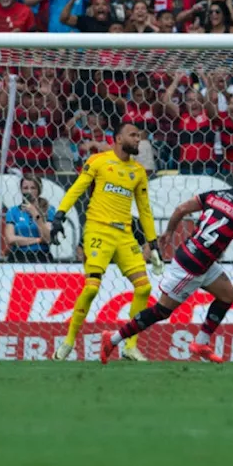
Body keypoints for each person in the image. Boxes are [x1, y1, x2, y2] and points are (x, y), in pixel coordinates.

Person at [102, 165, 233, 364]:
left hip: (199, 259)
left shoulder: (216, 195)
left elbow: (181, 209)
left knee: (227, 296)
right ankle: (113, 338)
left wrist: (169, 232)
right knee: (161, 311)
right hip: (190, 267)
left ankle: (201, 343)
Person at [52, 122, 158, 362]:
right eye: (133, 135)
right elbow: (78, 187)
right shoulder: (98, 161)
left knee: (144, 287)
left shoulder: (138, 172)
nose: (137, 140)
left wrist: (153, 241)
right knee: (91, 288)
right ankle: (68, 342)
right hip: (98, 230)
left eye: (139, 136)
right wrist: (60, 214)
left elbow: (144, 209)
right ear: (118, 138)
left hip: (124, 236)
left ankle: (130, 346)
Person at [3, 175, 55, 263]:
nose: (29, 191)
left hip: (41, 256)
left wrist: (36, 215)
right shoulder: (13, 211)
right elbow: (10, 239)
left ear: (39, 190)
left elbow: (47, 238)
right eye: (25, 188)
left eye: (33, 188)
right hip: (18, 256)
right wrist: (38, 240)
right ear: (21, 190)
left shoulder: (49, 210)